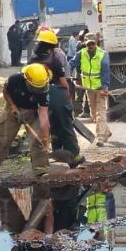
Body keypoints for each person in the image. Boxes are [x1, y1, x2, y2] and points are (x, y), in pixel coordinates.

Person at [0, 63, 52, 177]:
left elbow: (44, 115)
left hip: (32, 111)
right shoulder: (14, 79)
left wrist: (45, 137)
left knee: (37, 141)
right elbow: (5, 92)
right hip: (12, 108)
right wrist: (13, 106)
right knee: (3, 140)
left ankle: (41, 169)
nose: (37, 90)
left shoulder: (44, 89)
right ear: (27, 80)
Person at [31, 29, 84, 167]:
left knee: (52, 124)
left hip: (38, 94)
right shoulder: (55, 59)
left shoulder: (32, 61)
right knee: (65, 124)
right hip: (56, 93)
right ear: (52, 45)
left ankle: (57, 153)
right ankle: (74, 156)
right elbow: (63, 81)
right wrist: (67, 95)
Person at [71, 33, 112, 146]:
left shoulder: (103, 54)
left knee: (101, 112)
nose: (91, 46)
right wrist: (67, 75)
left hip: (100, 88)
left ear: (96, 42)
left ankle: (101, 137)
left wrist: (104, 87)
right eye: (89, 44)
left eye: (93, 43)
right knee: (94, 114)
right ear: (85, 43)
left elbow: (105, 73)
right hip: (89, 88)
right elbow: (71, 64)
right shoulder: (81, 53)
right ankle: (106, 131)